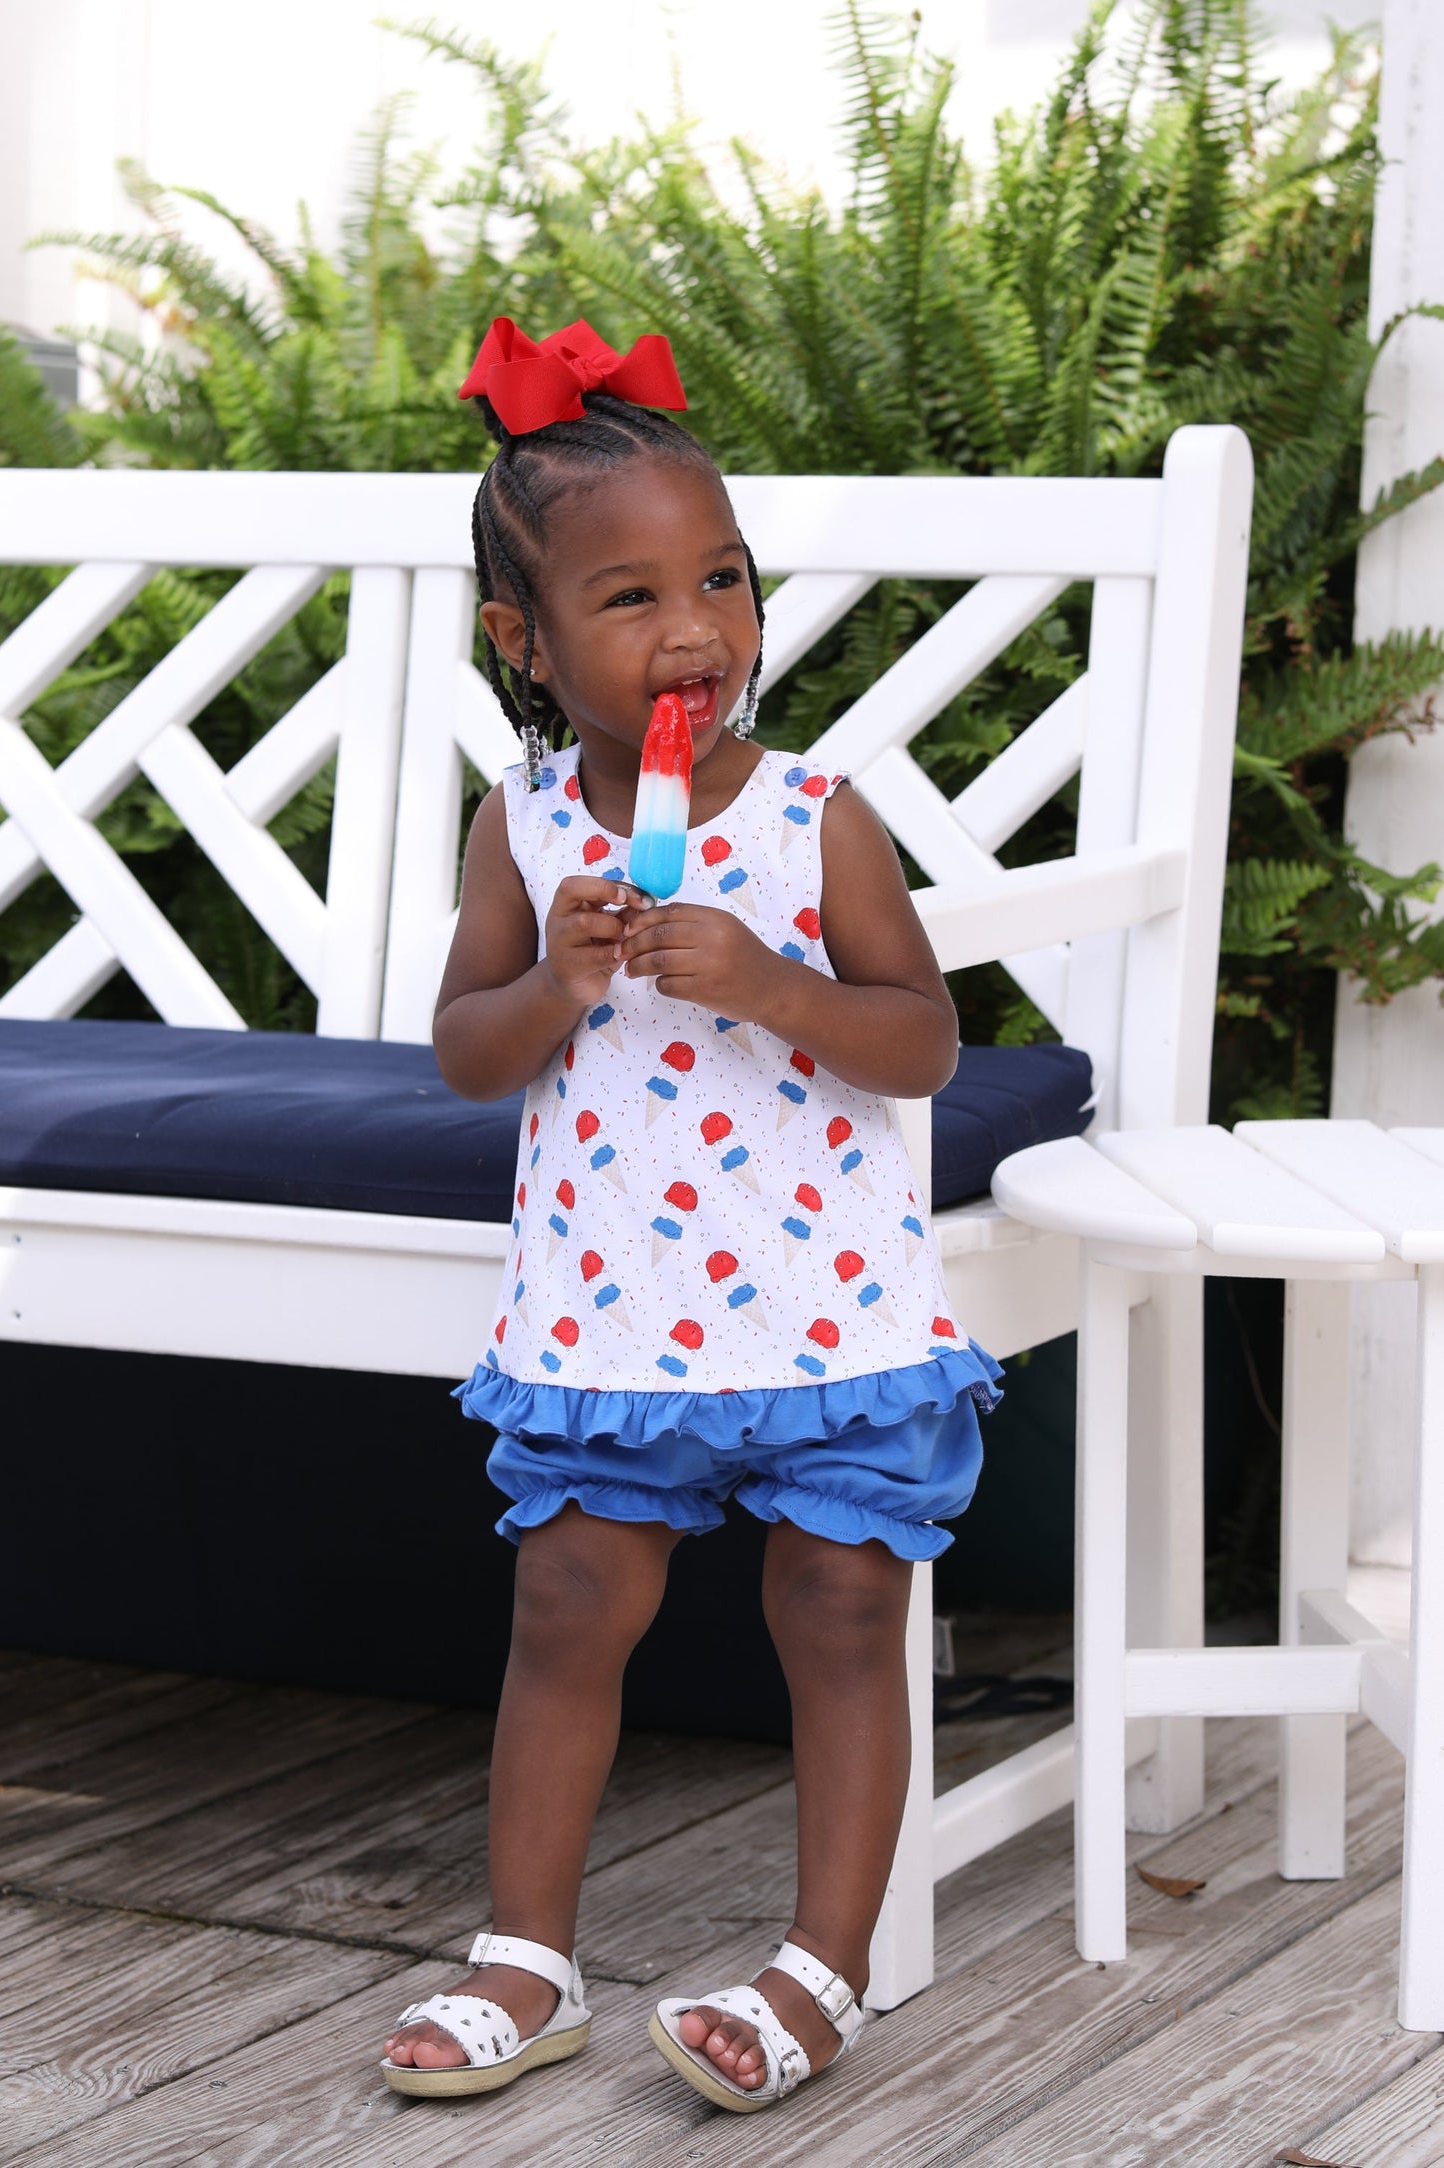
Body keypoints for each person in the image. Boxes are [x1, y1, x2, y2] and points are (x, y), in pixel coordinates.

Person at [380, 318, 1001, 2113]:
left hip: (818, 1300)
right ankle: (526, 1957)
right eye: (631, 596)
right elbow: (462, 1058)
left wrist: (768, 981)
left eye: (720, 580)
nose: (695, 635)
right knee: (570, 1595)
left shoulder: (817, 818)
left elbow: (924, 1042)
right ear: (525, 640)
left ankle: (825, 1967)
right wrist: (557, 988)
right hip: (610, 1302)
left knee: (836, 1606)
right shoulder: (522, 824)